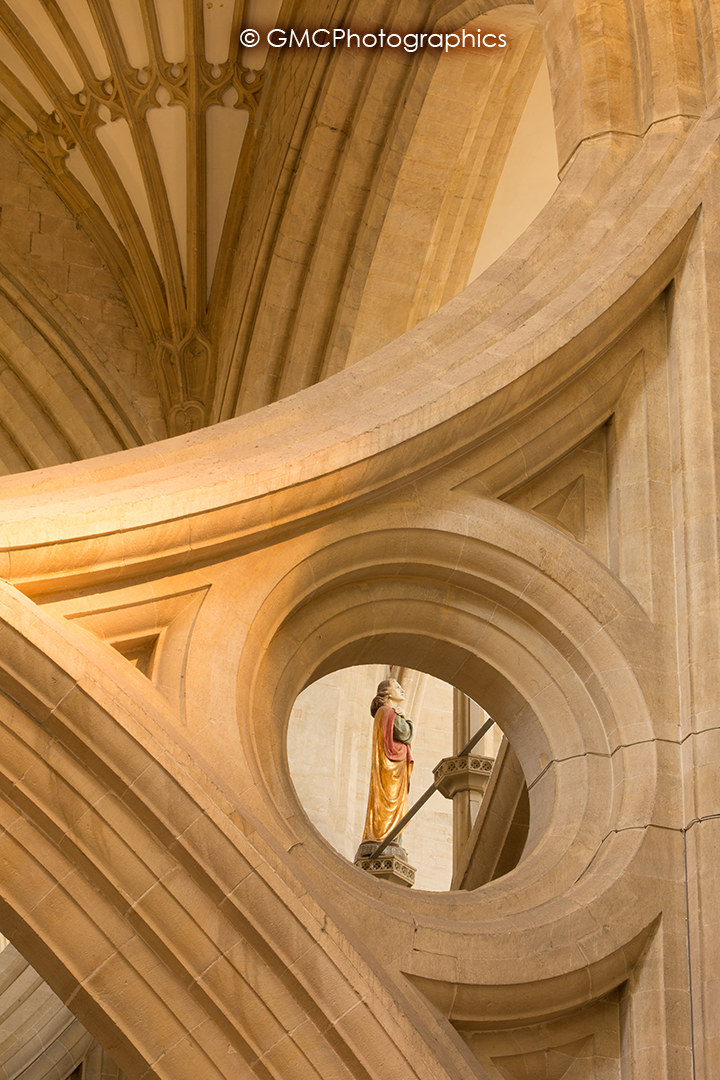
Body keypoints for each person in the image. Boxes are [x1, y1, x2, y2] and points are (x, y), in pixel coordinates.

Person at [361, 677, 414, 846]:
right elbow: (405, 733)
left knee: (394, 805)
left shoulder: (385, 713)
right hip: (391, 769)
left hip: (393, 768)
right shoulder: (387, 712)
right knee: (390, 803)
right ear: (387, 693)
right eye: (397, 687)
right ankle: (385, 838)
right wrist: (407, 720)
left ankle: (391, 839)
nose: (402, 690)